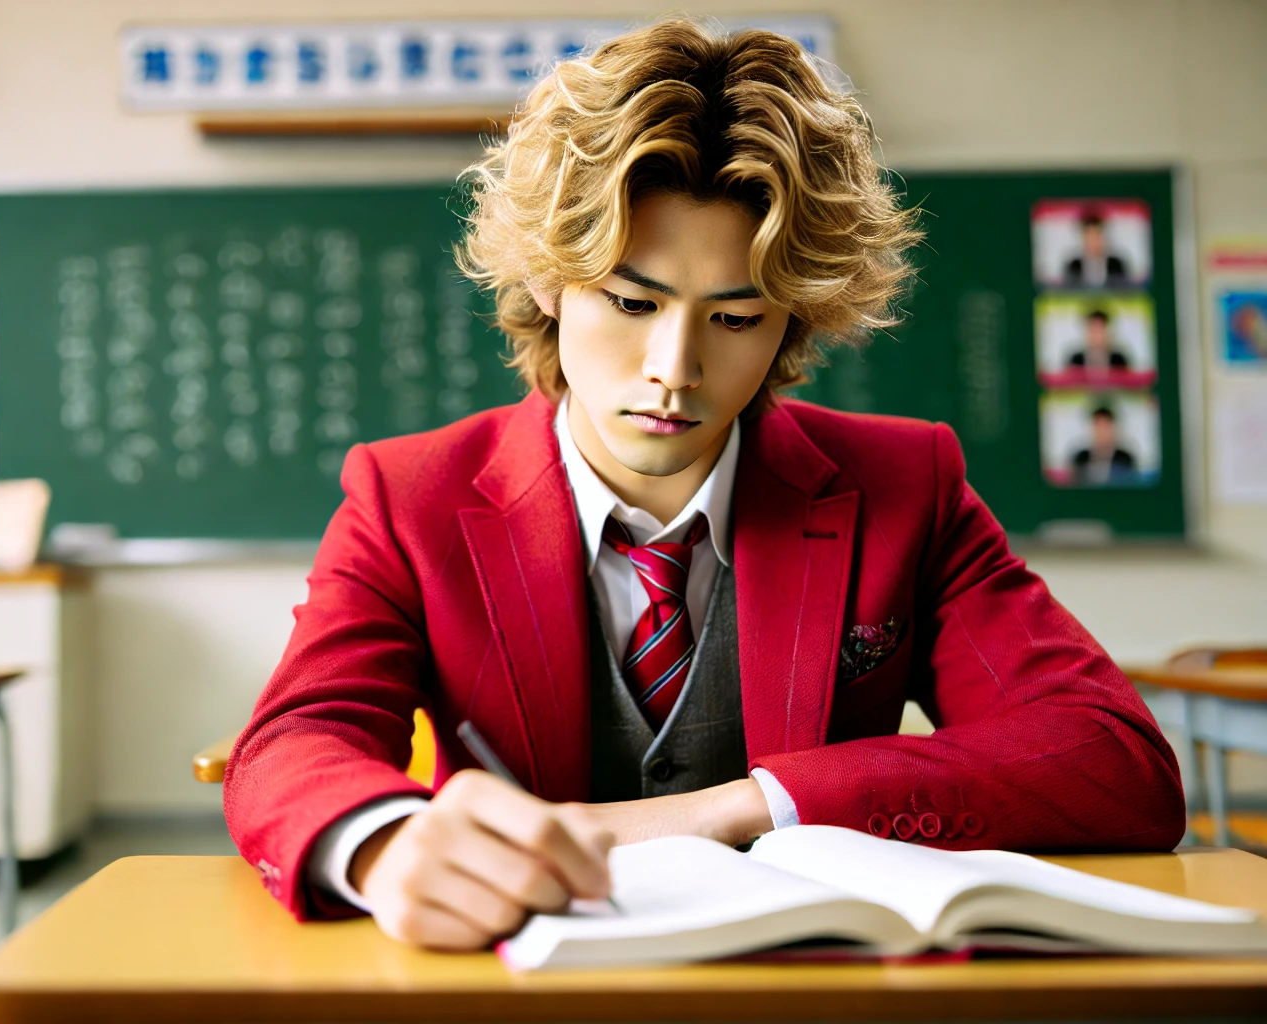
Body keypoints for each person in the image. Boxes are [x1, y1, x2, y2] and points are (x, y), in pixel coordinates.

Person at [223, 18, 1183, 951]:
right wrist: (386, 847)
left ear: (793, 321)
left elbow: (1114, 759)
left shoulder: (905, 483)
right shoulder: (410, 496)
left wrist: (746, 804)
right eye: (633, 303)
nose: (675, 368)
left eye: (735, 318)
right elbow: (296, 740)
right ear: (551, 282)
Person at [1071, 405, 1138, 486]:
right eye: (1098, 426)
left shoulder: (1125, 459)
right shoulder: (1081, 458)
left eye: (1105, 426)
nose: (1101, 432)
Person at [1063, 211, 1129, 287]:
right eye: (1089, 237)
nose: (1094, 242)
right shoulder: (1073, 267)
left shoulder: (1117, 265)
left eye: (1097, 236)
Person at [1065, 309, 1130, 377]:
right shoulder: (1076, 360)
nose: (1096, 335)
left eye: (1099, 329)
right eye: (1092, 329)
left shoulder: (1119, 360)